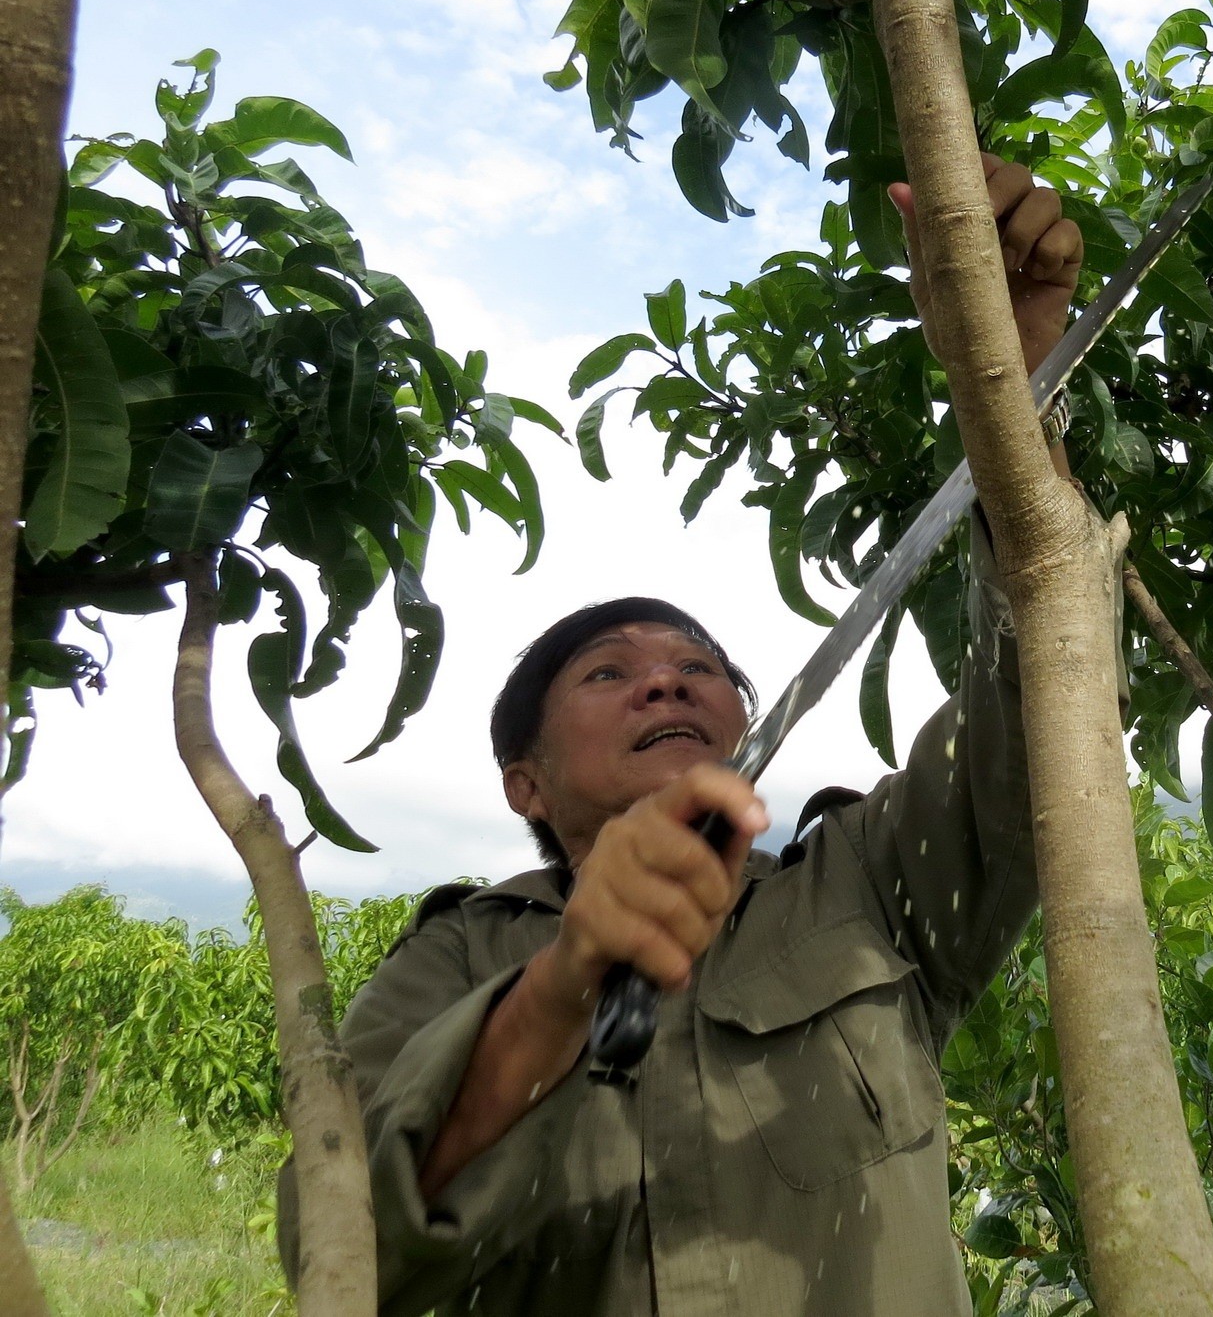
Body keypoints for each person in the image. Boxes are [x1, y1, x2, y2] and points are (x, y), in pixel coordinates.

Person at [279, 158, 1097, 1315]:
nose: (666, 686)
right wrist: (564, 987)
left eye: (698, 670)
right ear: (525, 781)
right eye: (610, 674)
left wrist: (1001, 385)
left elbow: (1041, 715)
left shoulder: (863, 885)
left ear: (740, 724)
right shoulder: (456, 960)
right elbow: (349, 1242)